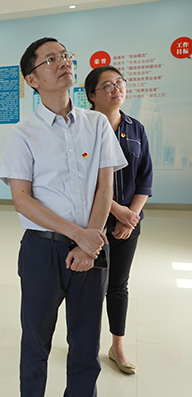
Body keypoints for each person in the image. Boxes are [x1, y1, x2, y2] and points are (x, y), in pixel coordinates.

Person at [0, 38, 127, 396]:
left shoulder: (97, 123)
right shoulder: (23, 133)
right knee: (35, 341)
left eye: (65, 56)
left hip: (92, 246)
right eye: (51, 59)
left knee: (86, 344)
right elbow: (22, 200)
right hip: (43, 251)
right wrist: (79, 235)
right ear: (32, 79)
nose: (64, 62)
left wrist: (89, 242)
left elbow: (105, 187)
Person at [84, 66, 153, 375]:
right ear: (92, 95)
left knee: (118, 285)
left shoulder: (136, 128)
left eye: (119, 83)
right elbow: (82, 180)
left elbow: (145, 179)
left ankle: (117, 345)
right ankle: (85, 343)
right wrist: (117, 211)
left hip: (129, 224)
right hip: (91, 222)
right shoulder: (83, 129)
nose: (117, 89)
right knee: (88, 286)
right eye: (108, 85)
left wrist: (130, 217)